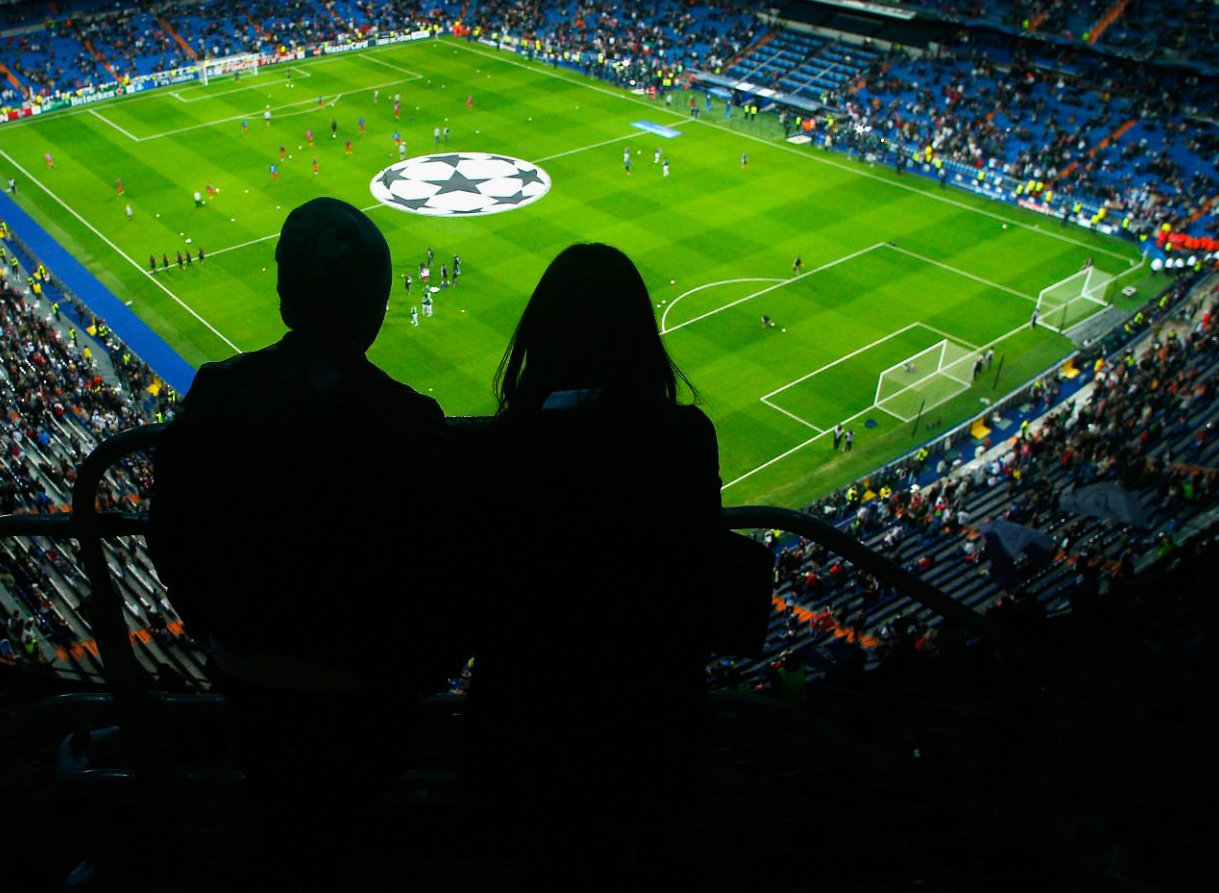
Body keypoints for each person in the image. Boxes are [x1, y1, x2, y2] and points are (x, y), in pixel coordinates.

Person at [149, 198, 458, 879]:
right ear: (376, 306)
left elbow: (170, 535)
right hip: (371, 705)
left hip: (245, 685)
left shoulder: (217, 395)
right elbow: (448, 578)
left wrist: (220, 634)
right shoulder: (409, 422)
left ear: (285, 293)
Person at [459, 243, 767, 882]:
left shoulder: (497, 451)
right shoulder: (681, 442)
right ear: (640, 337)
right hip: (652, 733)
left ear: (538, 335)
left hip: (521, 733)